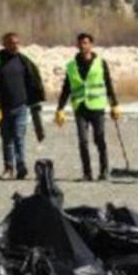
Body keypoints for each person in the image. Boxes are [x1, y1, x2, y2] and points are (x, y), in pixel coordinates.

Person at [54, 33, 122, 181]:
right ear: (77, 45)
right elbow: (67, 88)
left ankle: (104, 171)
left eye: (86, 43)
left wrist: (114, 105)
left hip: (97, 107)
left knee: (99, 139)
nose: (83, 46)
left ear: (91, 44)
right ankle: (87, 173)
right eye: (80, 43)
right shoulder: (72, 66)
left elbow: (108, 84)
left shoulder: (100, 63)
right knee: (83, 141)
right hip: (80, 108)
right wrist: (60, 108)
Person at [0, 32, 46, 180]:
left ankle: (21, 166)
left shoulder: (24, 61)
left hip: (21, 106)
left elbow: (32, 82)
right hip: (3, 108)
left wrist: (34, 102)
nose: (15, 46)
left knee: (19, 137)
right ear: (5, 44)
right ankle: (8, 168)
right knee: (7, 139)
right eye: (12, 43)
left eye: (17, 43)